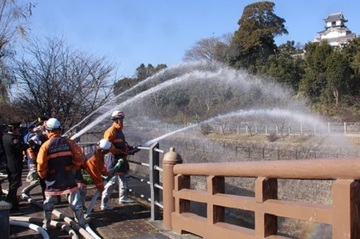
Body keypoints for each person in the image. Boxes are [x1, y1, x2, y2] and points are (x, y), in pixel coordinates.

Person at [36, 118, 88, 230]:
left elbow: (41, 164)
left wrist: (44, 175)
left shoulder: (46, 145)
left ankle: (47, 224)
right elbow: (79, 157)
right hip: (68, 176)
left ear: (48, 130)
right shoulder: (69, 142)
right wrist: (73, 168)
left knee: (49, 202)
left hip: (53, 178)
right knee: (75, 201)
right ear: (59, 129)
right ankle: (81, 222)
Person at [100, 110, 139, 210]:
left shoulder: (120, 131)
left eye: (121, 119)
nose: (121, 121)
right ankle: (104, 203)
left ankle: (123, 198)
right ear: (114, 120)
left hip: (121, 158)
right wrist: (119, 152)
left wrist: (130, 149)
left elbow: (122, 144)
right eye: (119, 119)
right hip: (113, 159)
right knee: (112, 181)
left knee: (124, 178)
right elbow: (107, 145)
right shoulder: (111, 131)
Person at [2, 122, 30, 211]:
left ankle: (15, 204)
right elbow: (20, 147)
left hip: (9, 163)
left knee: (12, 183)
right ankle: (8, 202)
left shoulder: (4, 137)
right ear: (14, 129)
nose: (19, 131)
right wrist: (30, 144)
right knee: (15, 184)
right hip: (15, 164)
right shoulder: (13, 139)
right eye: (18, 128)